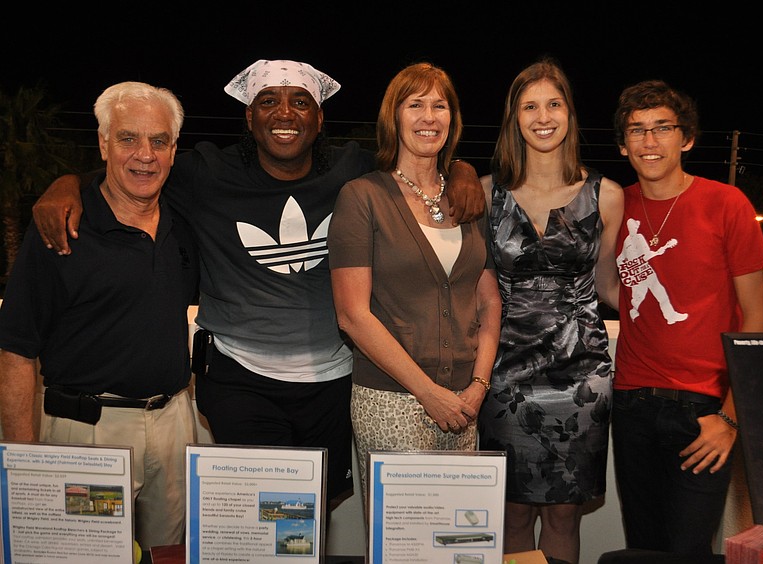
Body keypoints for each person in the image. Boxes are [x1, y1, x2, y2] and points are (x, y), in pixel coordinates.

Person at [29, 59, 485, 515]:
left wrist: (461, 169)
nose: (284, 113)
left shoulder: (352, 170)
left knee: (313, 515)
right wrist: (66, 185)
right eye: (268, 101)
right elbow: (137, 169)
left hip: (331, 381)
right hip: (239, 379)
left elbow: (414, 167)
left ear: (319, 117)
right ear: (249, 116)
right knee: (270, 515)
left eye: (300, 102)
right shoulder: (206, 172)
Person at [0, 81, 199, 551]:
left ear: (174, 150)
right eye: (128, 138)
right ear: (103, 143)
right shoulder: (60, 227)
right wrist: (24, 465)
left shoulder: (183, 221)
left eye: (158, 141)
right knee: (83, 556)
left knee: (168, 554)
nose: (144, 155)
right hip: (87, 434)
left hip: (173, 423)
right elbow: (16, 350)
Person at [611, 79, 763, 557]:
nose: (650, 141)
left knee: (689, 551)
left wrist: (729, 416)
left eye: (662, 128)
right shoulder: (614, 207)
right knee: (644, 549)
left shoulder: (727, 204)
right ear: (623, 144)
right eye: (637, 130)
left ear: (687, 138)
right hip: (632, 404)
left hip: (704, 409)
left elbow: (758, 322)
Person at [327, 62, 501, 502]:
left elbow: (489, 304)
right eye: (415, 105)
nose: (428, 117)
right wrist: (428, 393)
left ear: (452, 119)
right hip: (392, 401)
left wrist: (478, 387)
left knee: (456, 538)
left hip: (464, 403)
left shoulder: (466, 197)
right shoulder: (362, 196)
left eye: (439, 106)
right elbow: (352, 315)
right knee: (400, 539)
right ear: (395, 117)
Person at [476, 57, 624, 564]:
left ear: (570, 113)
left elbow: (609, 284)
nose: (543, 116)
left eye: (554, 104)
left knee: (563, 513)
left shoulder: (608, 195)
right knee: (512, 511)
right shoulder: (484, 191)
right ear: (514, 117)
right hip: (503, 373)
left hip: (582, 374)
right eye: (530, 106)